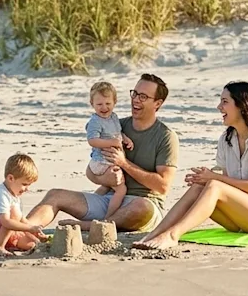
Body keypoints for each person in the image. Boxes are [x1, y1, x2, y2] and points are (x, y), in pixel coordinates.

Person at [133, 81, 248, 251]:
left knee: (214, 185)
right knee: (201, 185)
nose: (219, 107)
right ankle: (156, 233)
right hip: (240, 218)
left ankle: (173, 235)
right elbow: (230, 183)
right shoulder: (227, 139)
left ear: (242, 106)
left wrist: (214, 178)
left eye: (225, 102)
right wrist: (205, 177)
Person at [27, 73, 179, 233]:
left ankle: (92, 226)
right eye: (134, 93)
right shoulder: (115, 125)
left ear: (157, 103)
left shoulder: (166, 137)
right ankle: (21, 231)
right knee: (55, 195)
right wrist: (106, 178)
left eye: (143, 96)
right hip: (110, 200)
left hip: (143, 204)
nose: (135, 100)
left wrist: (124, 164)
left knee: (141, 207)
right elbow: (90, 172)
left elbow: (163, 186)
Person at [0, 153, 49, 257]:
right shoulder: (1, 194)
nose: (27, 189)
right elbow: (6, 222)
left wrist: (36, 233)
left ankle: (8, 243)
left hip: (1, 232)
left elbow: (21, 220)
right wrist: (29, 229)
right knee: (14, 213)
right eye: (24, 184)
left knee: (32, 244)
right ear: (10, 178)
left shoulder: (14, 194)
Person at [83, 81, 134, 219]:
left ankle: (91, 205)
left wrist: (125, 138)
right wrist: (111, 142)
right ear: (92, 103)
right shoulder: (95, 121)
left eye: (108, 104)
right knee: (120, 189)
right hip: (101, 161)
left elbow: (117, 132)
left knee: (107, 187)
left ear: (114, 102)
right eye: (99, 104)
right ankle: (108, 217)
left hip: (109, 160)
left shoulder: (113, 117)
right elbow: (92, 140)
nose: (104, 108)